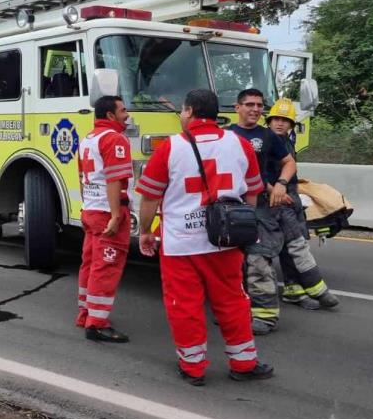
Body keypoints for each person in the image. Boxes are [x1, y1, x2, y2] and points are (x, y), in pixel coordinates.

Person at [136, 89, 273, 385]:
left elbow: (149, 197)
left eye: (183, 111)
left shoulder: (171, 147)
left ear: (189, 111)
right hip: (225, 240)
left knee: (184, 305)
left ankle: (193, 367)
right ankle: (244, 363)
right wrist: (238, 227)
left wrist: (145, 231)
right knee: (234, 301)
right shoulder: (239, 143)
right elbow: (252, 192)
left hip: (180, 243)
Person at [228, 88, 297, 336]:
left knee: (259, 260)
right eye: (250, 104)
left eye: (259, 105)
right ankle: (239, 311)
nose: (255, 109)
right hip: (231, 207)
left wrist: (280, 184)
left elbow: (289, 162)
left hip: (262, 208)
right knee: (233, 264)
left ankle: (266, 317)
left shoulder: (268, 137)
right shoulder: (225, 136)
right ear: (237, 108)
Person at [265, 98, 340, 310]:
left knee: (293, 245)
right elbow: (259, 174)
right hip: (274, 199)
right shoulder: (266, 142)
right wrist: (276, 191)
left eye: (285, 120)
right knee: (291, 244)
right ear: (269, 121)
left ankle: (294, 288)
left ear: (291, 124)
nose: (280, 123)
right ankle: (308, 289)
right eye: (276, 119)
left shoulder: (287, 141)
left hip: (290, 197)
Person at [75, 95, 133, 343]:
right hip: (106, 213)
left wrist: (86, 207)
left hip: (91, 210)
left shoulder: (88, 139)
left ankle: (86, 313)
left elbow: (81, 178)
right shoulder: (114, 139)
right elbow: (114, 180)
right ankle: (97, 324)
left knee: (89, 263)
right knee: (106, 267)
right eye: (122, 110)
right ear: (110, 115)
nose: (127, 114)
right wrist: (116, 215)